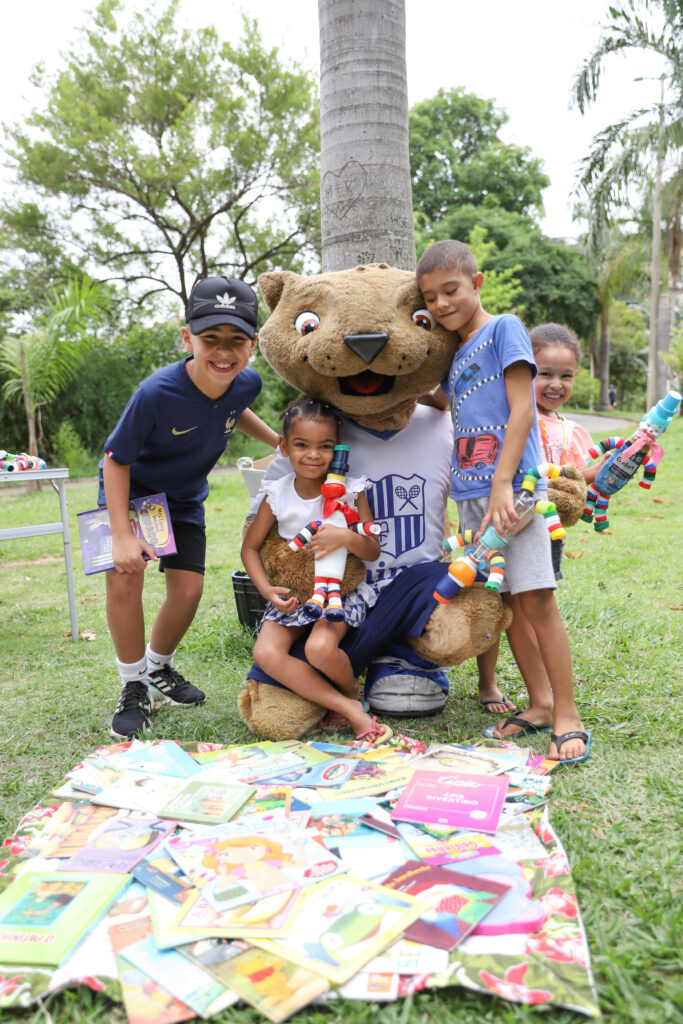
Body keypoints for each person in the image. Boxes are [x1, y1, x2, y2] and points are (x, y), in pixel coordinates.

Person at [416, 240, 589, 764]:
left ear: (477, 283)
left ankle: (567, 715)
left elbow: (520, 410)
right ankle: (538, 704)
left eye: (452, 290)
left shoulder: (504, 329)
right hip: (474, 499)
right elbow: (442, 402)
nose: (443, 304)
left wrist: (502, 484)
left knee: (537, 600)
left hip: (513, 493)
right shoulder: (456, 352)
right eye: (431, 297)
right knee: (508, 605)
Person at [101, 276, 279, 740]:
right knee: (125, 578)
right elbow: (114, 460)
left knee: (187, 593)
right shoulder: (156, 393)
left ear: (252, 344)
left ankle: (159, 667)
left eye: (236, 341)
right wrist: (121, 533)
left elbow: (234, 407)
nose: (224, 352)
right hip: (132, 495)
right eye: (210, 339)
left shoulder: (248, 382)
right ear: (187, 338)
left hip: (181, 501)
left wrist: (280, 443)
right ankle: (132, 685)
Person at [241, 396, 392, 745]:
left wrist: (346, 536)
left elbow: (372, 550)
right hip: (293, 596)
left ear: (337, 449)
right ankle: (348, 706)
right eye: (302, 445)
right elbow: (249, 548)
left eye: (324, 446)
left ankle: (351, 688)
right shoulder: (276, 493)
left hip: (338, 593)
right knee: (265, 652)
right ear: (283, 446)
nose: (313, 455)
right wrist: (266, 590)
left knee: (320, 649)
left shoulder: (352, 492)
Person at [531, 322, 600, 578]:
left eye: (566, 376)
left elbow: (573, 481)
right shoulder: (516, 417)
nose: (557, 384)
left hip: (551, 525)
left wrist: (601, 471)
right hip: (516, 519)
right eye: (545, 374)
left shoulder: (570, 431)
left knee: (544, 584)